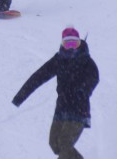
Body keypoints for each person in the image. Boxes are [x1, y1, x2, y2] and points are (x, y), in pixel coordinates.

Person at [12, 27, 99, 159]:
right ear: (62, 44)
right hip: (61, 109)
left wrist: (83, 90)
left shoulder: (85, 61)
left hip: (79, 109)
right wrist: (20, 96)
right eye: (67, 43)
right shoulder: (59, 60)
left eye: (74, 43)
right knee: (55, 144)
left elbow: (94, 77)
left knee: (64, 143)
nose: (71, 47)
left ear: (79, 43)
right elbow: (38, 77)